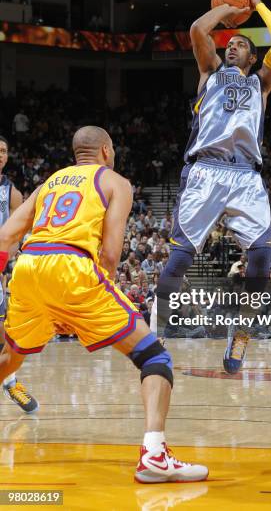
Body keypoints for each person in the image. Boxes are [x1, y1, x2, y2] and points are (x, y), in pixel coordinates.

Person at [0, 126, 208, 484]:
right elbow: (111, 252)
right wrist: (80, 305)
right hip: (73, 268)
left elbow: (6, 235)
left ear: (76, 152)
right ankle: (155, 455)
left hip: (29, 266)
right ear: (107, 152)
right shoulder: (115, 182)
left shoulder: (48, 183)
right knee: (154, 357)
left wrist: (52, 304)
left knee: (10, 358)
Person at [150, 0, 271, 373]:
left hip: (246, 175)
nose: (232, 45)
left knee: (262, 257)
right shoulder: (210, 71)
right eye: (229, 42)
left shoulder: (261, 83)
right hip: (205, 170)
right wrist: (225, 11)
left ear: (253, 55)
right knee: (179, 257)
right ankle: (157, 333)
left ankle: (241, 334)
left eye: (241, 44)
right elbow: (197, 31)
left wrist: (257, 6)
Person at [0, 135, 38, 413]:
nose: (0, 154)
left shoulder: (11, 192)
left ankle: (9, 380)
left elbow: (19, 228)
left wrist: (4, 257)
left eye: (3, 150)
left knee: (4, 328)